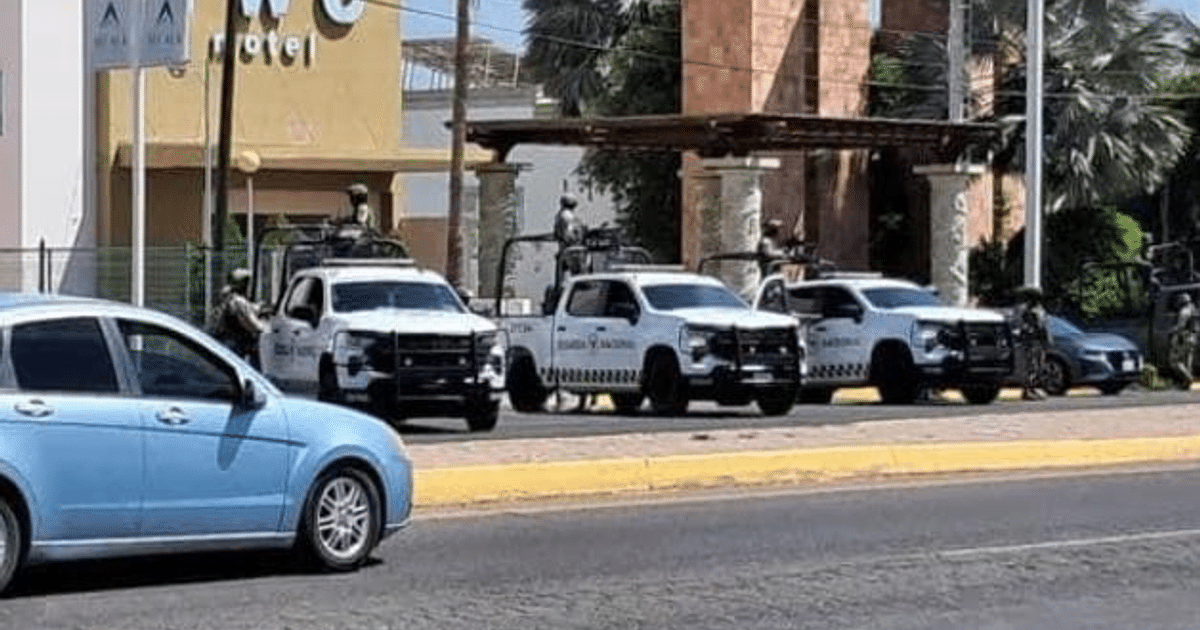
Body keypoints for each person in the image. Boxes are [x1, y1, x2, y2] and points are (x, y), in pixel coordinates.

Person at [212, 268, 268, 368]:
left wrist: (259, 307)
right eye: (247, 283)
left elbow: (250, 308)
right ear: (243, 284)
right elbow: (253, 325)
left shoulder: (230, 298)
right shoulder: (239, 301)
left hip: (228, 342)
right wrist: (266, 328)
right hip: (236, 344)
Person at [1013, 286, 1050, 400]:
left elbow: (1043, 325)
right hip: (1031, 342)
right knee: (1031, 366)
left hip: (1038, 341)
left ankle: (1033, 388)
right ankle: (1027, 390)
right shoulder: (1027, 311)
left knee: (1038, 366)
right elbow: (1024, 326)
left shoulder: (1038, 309)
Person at [1167, 292, 1197, 390]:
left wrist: (1172, 331)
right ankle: (1186, 384)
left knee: (1175, 361)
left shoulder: (1184, 312)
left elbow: (1180, 327)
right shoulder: (1193, 310)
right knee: (1188, 361)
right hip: (1192, 337)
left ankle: (1188, 377)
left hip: (1184, 338)